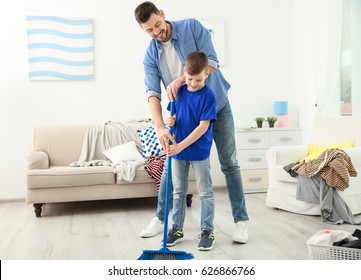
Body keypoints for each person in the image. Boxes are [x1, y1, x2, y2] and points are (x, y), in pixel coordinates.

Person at [134, 1, 249, 243]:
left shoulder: (192, 28)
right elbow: (152, 93)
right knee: (170, 164)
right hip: (184, 114)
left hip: (216, 103)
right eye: (149, 30)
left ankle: (241, 221)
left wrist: (179, 81)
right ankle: (161, 218)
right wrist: (160, 128)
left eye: (157, 25)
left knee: (229, 163)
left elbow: (213, 64)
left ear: (162, 15)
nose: (156, 32)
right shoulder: (150, 55)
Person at [165, 51, 216, 251]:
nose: (193, 84)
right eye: (189, 79)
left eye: (198, 80)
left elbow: (202, 127)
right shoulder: (179, 91)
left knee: (205, 193)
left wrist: (180, 146)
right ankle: (176, 228)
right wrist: (171, 119)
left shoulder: (208, 96)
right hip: (178, 150)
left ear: (206, 75)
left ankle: (207, 231)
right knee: (178, 191)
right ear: (184, 73)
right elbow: (174, 114)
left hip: (198, 150)